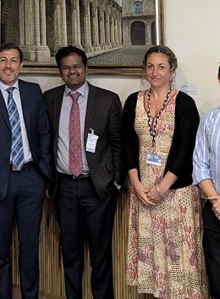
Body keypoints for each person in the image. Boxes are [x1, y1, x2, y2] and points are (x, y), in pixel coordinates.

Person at [0, 42, 51, 299]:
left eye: (13, 60)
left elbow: (44, 135)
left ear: (21, 65)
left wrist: (45, 176)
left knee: (29, 249)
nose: (8, 66)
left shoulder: (33, 91)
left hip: (31, 179)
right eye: (3, 60)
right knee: (1, 251)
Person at [122, 45, 207, 298]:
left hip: (175, 194)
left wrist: (161, 188)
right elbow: (127, 145)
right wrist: (136, 185)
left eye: (161, 67)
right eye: (150, 66)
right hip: (143, 193)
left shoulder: (184, 103)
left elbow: (185, 149)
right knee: (153, 260)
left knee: (179, 258)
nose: (155, 72)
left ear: (172, 70)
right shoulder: (133, 101)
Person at [43, 46, 123, 299]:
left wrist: (116, 183)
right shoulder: (49, 99)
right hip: (64, 187)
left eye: (77, 66)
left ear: (86, 67)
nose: (72, 71)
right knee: (70, 253)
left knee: (100, 255)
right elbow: (44, 143)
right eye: (66, 67)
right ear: (60, 71)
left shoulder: (107, 100)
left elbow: (118, 144)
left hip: (98, 188)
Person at [193, 65, 220, 299]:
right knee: (217, 280)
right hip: (215, 211)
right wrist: (215, 200)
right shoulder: (210, 120)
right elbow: (200, 166)